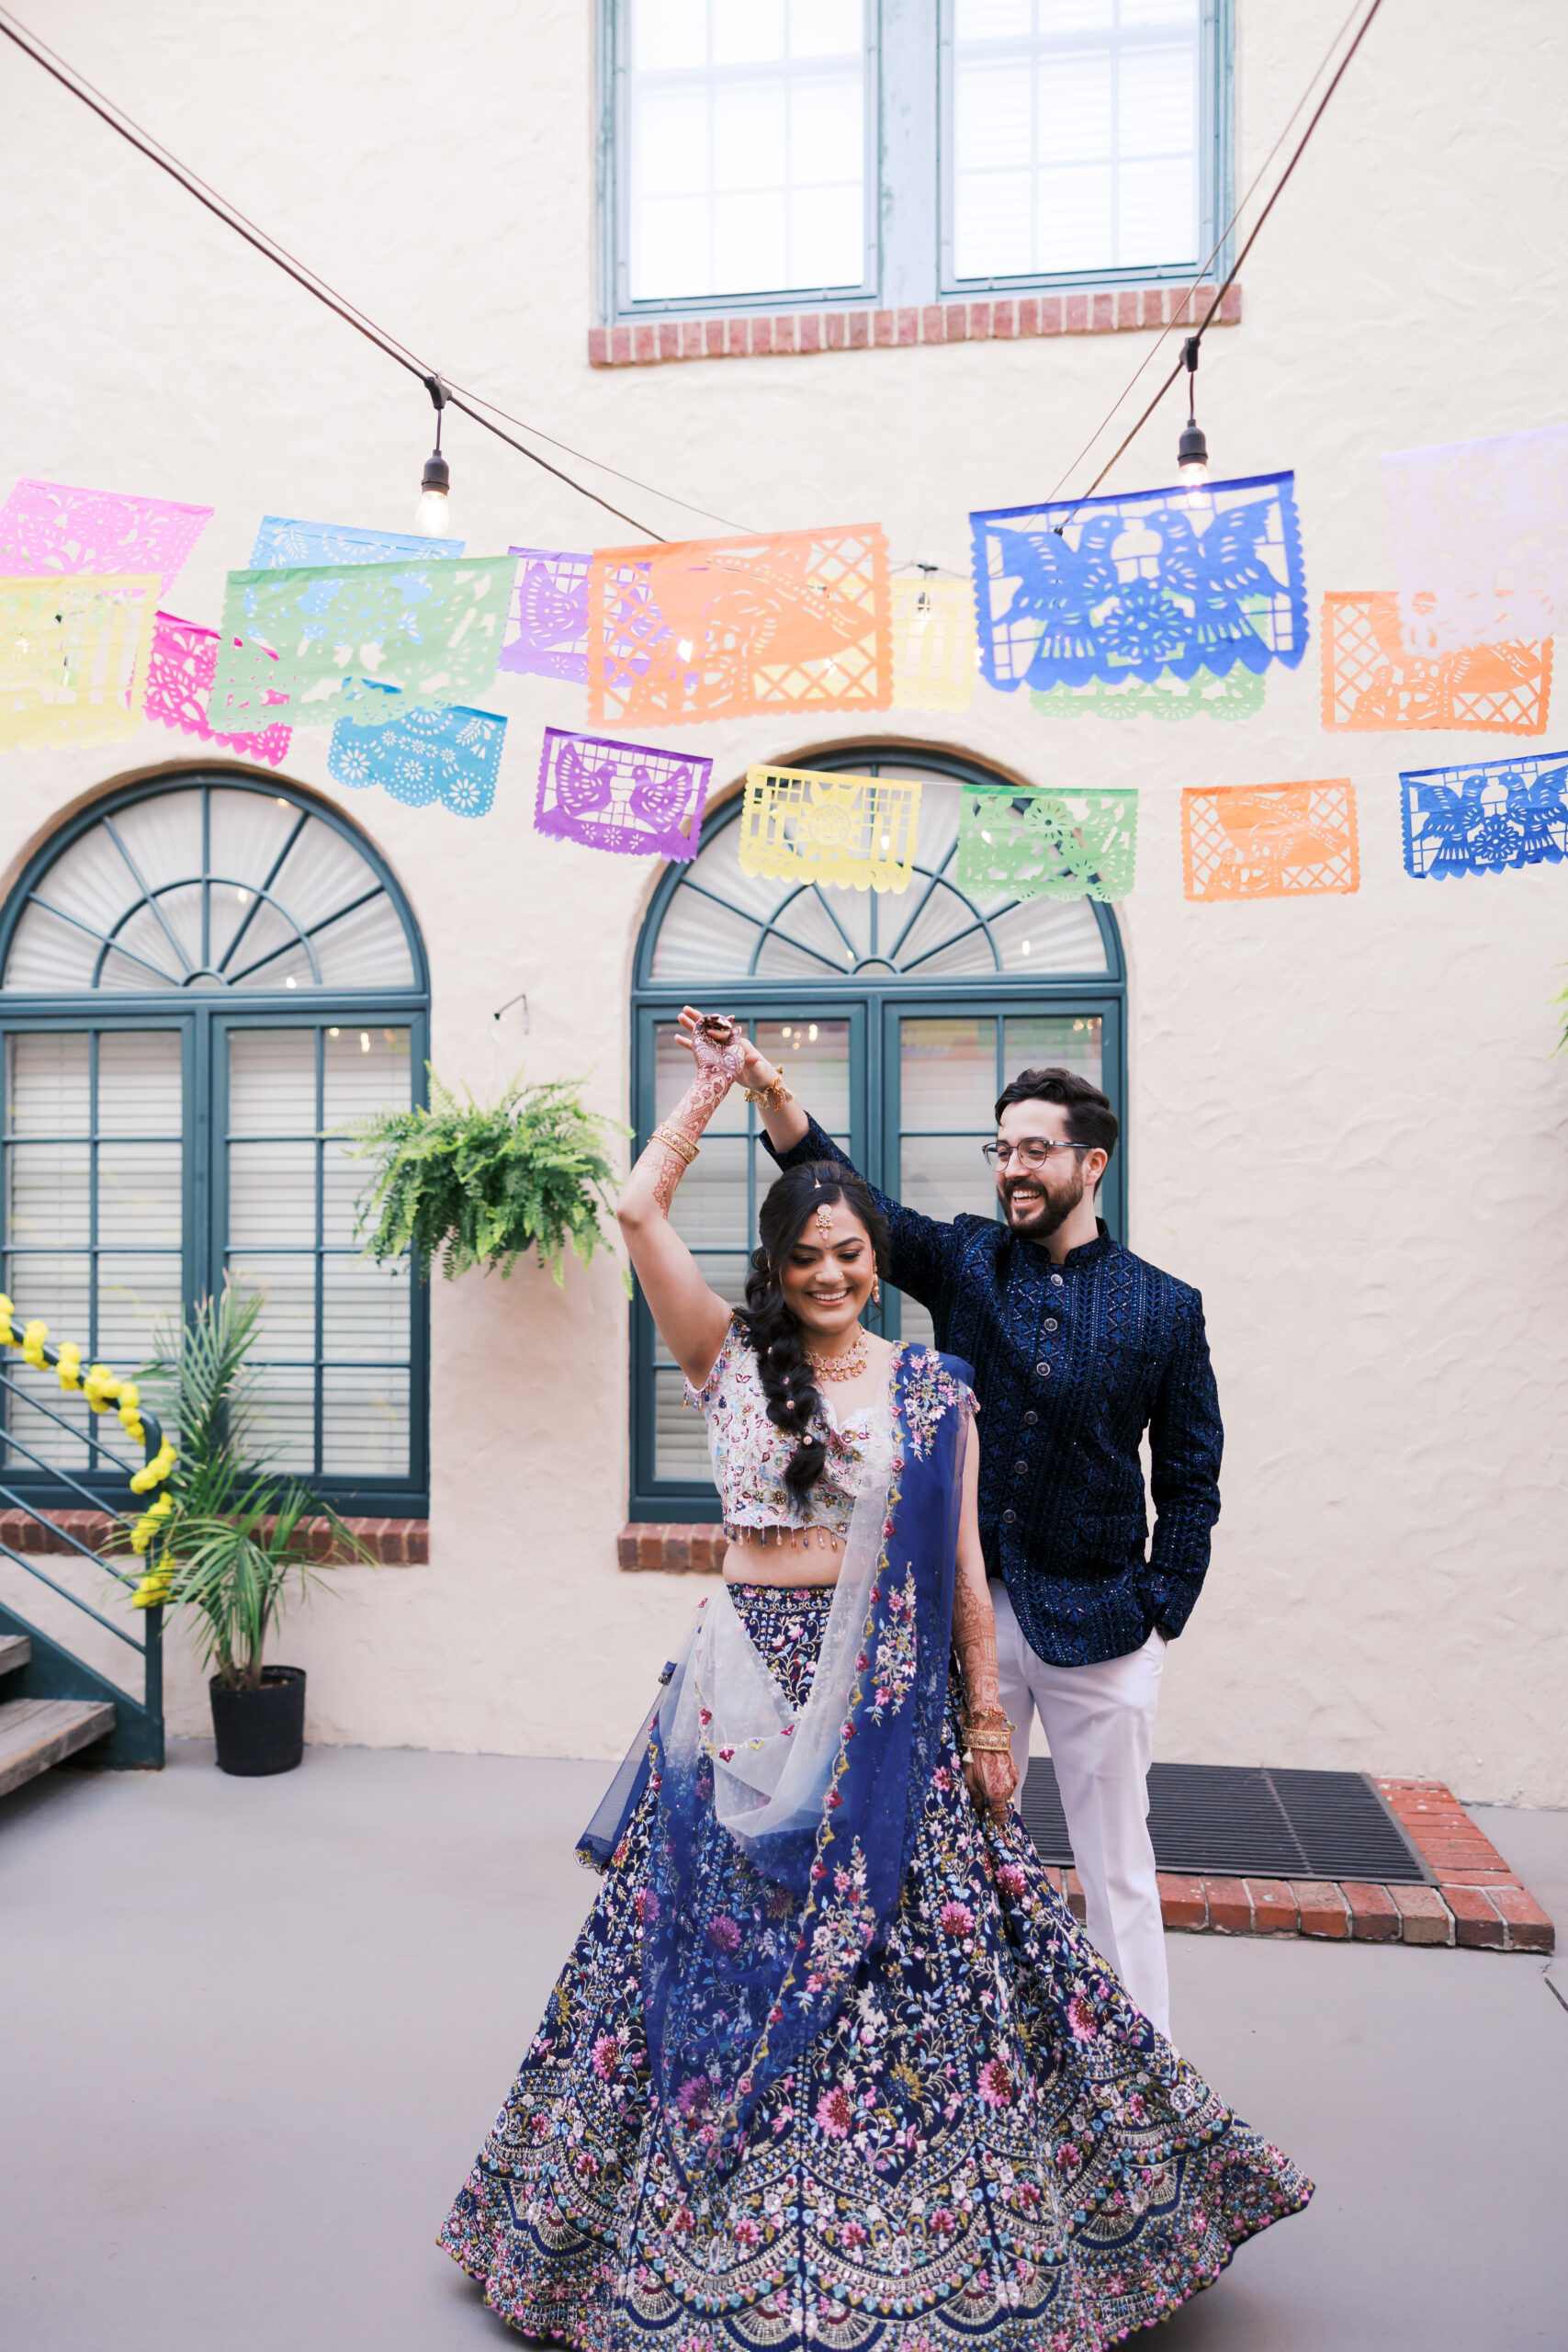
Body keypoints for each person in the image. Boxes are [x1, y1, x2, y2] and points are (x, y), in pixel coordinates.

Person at [440, 1014, 1308, 2349]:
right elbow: (634, 1207)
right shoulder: (722, 1356)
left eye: (853, 1255)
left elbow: (967, 1557)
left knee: (937, 1947)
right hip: (741, 1688)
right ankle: (667, 2218)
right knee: (704, 1944)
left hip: (887, 1690)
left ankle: (1013, 2177)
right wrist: (719, 1090)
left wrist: (980, 1705)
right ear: (779, 1268)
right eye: (812, 1255)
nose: (839, 1270)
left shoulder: (926, 1383)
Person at [706, 1013, 1218, 2043]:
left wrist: (1161, 1604)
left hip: (1103, 1625)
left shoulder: (1165, 1307)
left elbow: (1194, 1479)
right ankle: (995, 2070)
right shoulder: (971, 1263)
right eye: (1002, 1150)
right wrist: (765, 1086)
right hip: (961, 1621)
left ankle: (1149, 2072)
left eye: (1035, 1149)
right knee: (967, 1852)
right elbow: (851, 1200)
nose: (1014, 1169)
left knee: (1115, 1861)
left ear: (1091, 1161)